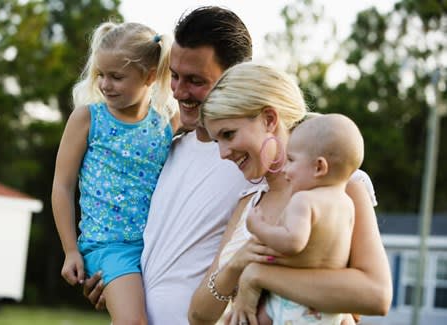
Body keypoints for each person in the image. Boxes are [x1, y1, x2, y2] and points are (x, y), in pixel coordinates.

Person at [82, 6, 392, 325]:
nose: (177, 91)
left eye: (195, 80)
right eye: (174, 76)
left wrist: (257, 277)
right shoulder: (167, 148)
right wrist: (115, 275)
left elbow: (360, 302)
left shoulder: (321, 180)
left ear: (234, 76)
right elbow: (139, 235)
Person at [189, 62, 392, 325]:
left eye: (229, 134)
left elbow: (376, 295)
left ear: (269, 119)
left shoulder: (339, 186)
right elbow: (198, 317)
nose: (223, 153)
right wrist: (237, 265)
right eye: (218, 141)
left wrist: (257, 276)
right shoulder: (250, 205)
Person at [51, 20, 177, 325]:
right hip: (108, 245)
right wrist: (70, 250)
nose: (105, 85)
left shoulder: (166, 124)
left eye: (116, 77)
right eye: (101, 75)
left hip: (156, 245)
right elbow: (62, 186)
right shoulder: (86, 119)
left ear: (149, 76)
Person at [244, 113, 365, 324]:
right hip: (331, 306)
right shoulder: (347, 204)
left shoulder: (305, 200)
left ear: (319, 167)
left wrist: (258, 227)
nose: (285, 168)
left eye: (291, 160)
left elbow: (292, 242)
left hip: (295, 304)